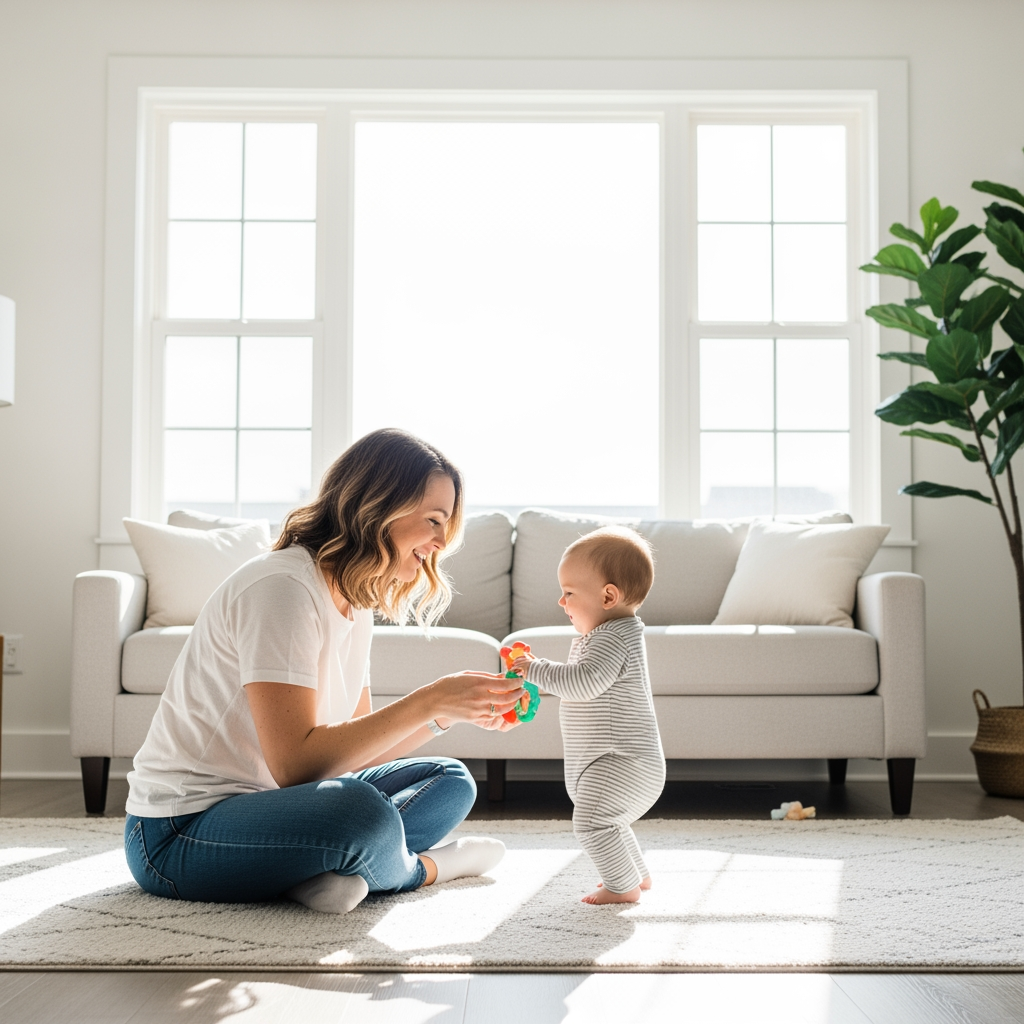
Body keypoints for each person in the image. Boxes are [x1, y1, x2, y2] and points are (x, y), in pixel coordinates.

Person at [124, 428, 523, 914]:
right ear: (379, 505)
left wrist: (447, 715)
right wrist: (430, 698)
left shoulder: (354, 600)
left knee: (450, 779)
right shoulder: (283, 587)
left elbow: (356, 757)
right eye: (434, 521)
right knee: (358, 812)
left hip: (278, 811)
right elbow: (296, 768)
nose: (441, 543)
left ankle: (319, 873)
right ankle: (424, 869)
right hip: (179, 832)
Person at [512, 527, 665, 905]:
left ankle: (622, 886)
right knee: (609, 819)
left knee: (593, 821)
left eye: (569, 592)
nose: (561, 601)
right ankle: (637, 875)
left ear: (608, 596)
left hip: (624, 761)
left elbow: (583, 683)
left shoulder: (613, 636)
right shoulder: (608, 634)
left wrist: (533, 668)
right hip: (620, 760)